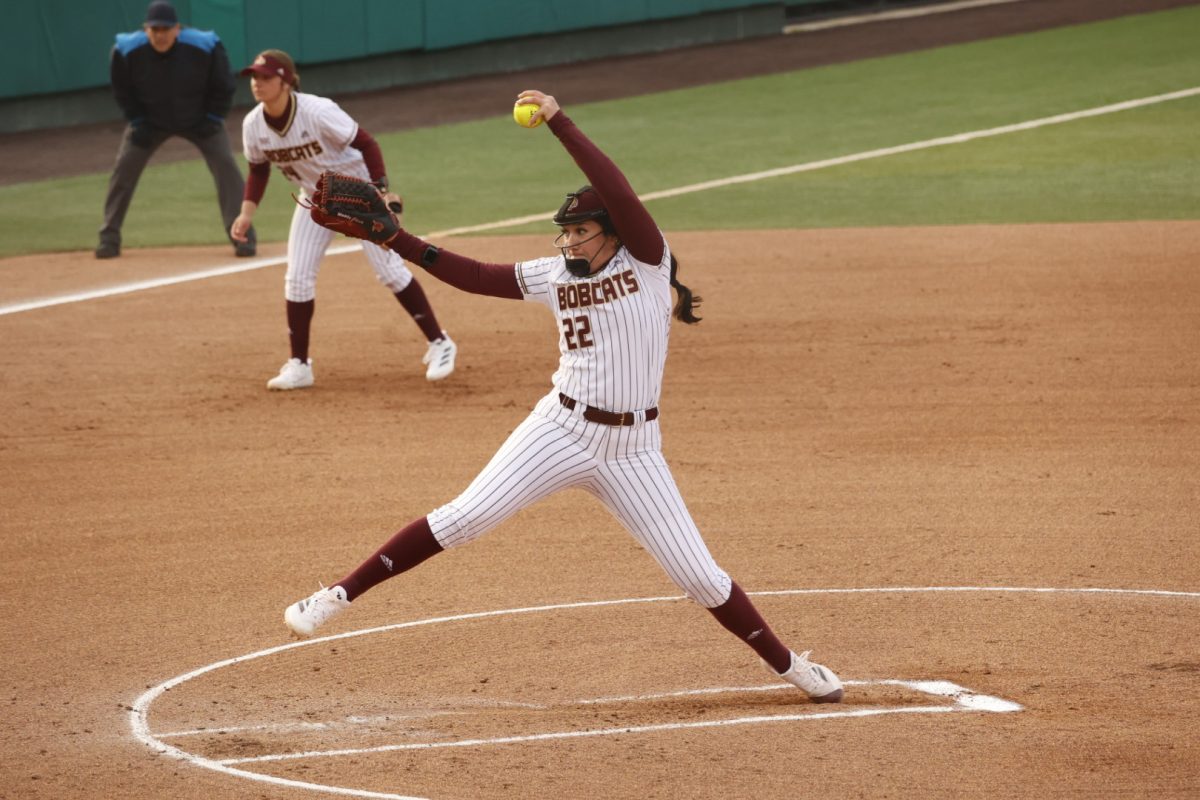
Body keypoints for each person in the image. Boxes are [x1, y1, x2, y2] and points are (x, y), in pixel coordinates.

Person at [283, 90, 844, 702]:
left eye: (580, 230)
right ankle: (335, 596)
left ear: (612, 233)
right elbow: (472, 275)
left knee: (701, 578)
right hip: (560, 428)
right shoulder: (553, 276)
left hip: (634, 451)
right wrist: (397, 238)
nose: (569, 242)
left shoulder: (647, 263)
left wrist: (559, 122)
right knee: (465, 516)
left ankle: (793, 668)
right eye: (565, 232)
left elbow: (618, 189)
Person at [231, 50, 457, 388]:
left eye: (265, 77)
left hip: (359, 194)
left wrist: (379, 189)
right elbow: (258, 170)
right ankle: (299, 365)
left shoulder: (317, 111)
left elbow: (367, 143)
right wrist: (246, 214)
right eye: (254, 77)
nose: (257, 83)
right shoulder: (253, 125)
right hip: (315, 198)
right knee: (298, 277)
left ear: (286, 80)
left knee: (390, 271)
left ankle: (440, 342)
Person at [97, 0, 254, 260]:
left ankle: (242, 237)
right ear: (145, 30)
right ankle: (108, 238)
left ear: (177, 29)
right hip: (149, 122)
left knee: (227, 167)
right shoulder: (126, 50)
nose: (160, 35)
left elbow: (224, 84)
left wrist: (213, 117)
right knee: (124, 170)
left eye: (165, 29)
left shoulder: (205, 45)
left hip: (200, 119)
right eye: (154, 29)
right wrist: (137, 120)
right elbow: (122, 90)